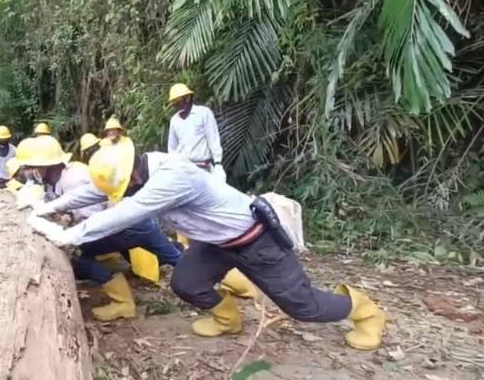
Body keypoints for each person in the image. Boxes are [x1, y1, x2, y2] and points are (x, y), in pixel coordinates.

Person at [28, 143, 386, 350]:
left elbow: (132, 210)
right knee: (186, 282)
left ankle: (365, 310)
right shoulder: (137, 169)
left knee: (303, 307)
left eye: (127, 188)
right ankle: (228, 319)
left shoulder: (171, 176)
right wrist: (47, 208)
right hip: (217, 243)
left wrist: (72, 236)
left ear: (134, 177)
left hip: (255, 241)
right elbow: (97, 192)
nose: (125, 192)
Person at [15, 136, 183, 322]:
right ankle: (213, 281)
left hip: (128, 226)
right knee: (178, 260)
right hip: (136, 224)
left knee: (77, 253)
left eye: (31, 167)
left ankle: (124, 304)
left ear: (46, 166)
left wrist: (62, 231)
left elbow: (92, 219)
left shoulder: (71, 181)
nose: (28, 172)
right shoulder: (62, 177)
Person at [167, 83, 226, 183]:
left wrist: (218, 164)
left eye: (179, 101)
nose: (177, 105)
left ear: (188, 98)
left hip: (204, 167)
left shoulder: (203, 113)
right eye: (175, 103)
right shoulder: (175, 120)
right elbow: (172, 148)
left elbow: (213, 139)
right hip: (185, 170)